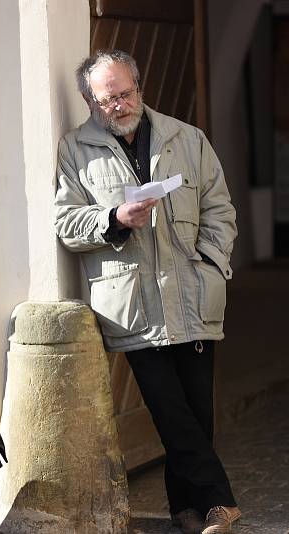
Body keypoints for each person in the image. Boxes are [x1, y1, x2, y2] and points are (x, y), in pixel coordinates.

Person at [54, 50, 239, 534]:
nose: (119, 104)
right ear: (89, 101)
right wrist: (112, 219)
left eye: (125, 93)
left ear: (139, 86)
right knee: (168, 408)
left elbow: (219, 208)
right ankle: (221, 500)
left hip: (192, 292)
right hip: (131, 305)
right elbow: (67, 222)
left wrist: (212, 264)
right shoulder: (76, 148)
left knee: (197, 408)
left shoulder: (187, 138)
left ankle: (186, 509)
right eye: (107, 98)